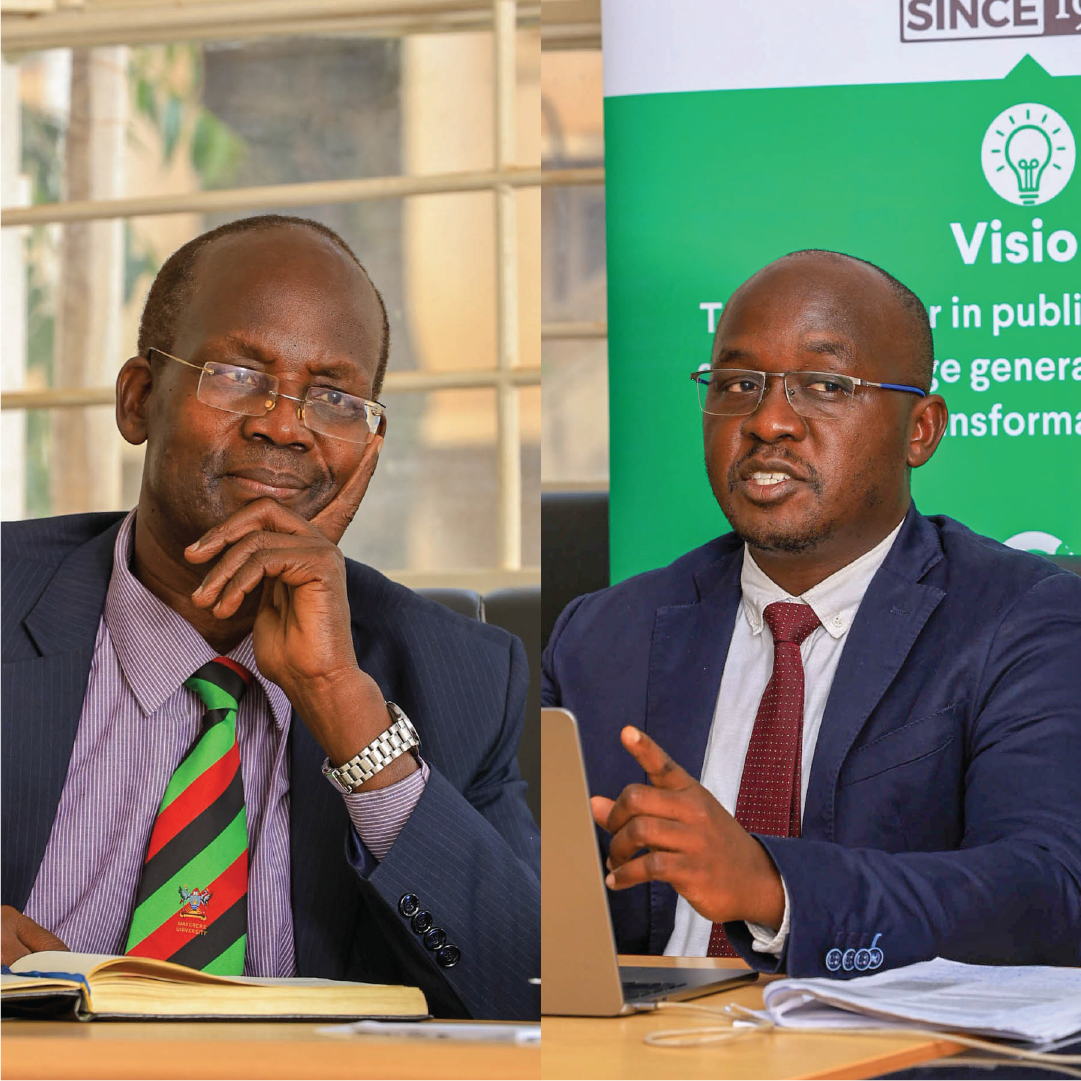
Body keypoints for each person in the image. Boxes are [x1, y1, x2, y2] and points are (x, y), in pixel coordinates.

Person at [0, 214, 539, 1021]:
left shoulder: (456, 677)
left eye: (333, 396)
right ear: (139, 399)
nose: (283, 424)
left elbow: (529, 995)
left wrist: (343, 709)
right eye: (236, 373)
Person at [542, 249, 1081, 978]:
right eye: (737, 384)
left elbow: (1046, 891)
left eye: (824, 384)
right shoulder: (602, 634)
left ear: (919, 429)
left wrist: (774, 885)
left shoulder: (1018, 619)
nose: (767, 421)